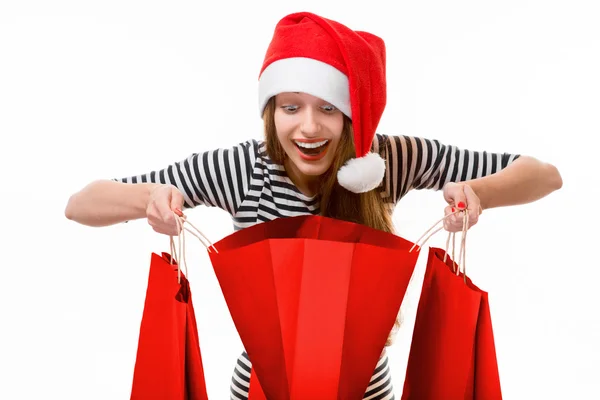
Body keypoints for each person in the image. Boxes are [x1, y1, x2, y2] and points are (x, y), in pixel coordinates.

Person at [65, 11, 562, 400]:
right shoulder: (242, 169)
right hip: (257, 391)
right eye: (290, 107)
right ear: (270, 111)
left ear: (353, 115)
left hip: (367, 393)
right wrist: (149, 197)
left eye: (328, 108)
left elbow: (544, 175)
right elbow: (80, 204)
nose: (307, 127)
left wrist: (480, 192)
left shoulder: (387, 160)